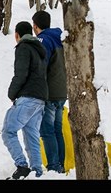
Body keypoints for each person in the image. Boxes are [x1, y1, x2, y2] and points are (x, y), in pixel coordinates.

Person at [2, 21, 48, 179]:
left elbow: (21, 74)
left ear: (17, 35)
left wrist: (11, 93)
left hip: (27, 97)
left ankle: (22, 166)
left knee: (8, 131)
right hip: (40, 100)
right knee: (31, 135)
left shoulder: (23, 47)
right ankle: (37, 172)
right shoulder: (39, 50)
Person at [32, 10, 67, 173]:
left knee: (47, 131)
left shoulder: (43, 40)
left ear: (35, 25)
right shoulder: (60, 37)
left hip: (49, 93)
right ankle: (60, 165)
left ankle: (54, 167)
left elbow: (41, 67)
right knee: (57, 130)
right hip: (61, 92)